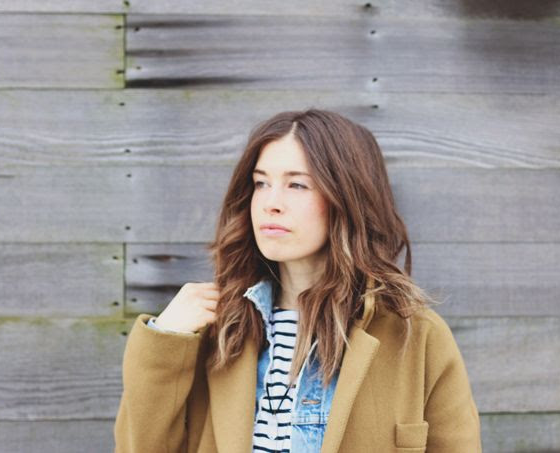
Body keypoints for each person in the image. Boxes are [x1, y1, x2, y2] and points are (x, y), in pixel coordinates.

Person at [114, 109, 481, 452]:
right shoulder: (213, 330)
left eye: (297, 185)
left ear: (348, 197)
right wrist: (165, 341)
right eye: (261, 183)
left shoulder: (417, 337)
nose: (271, 203)